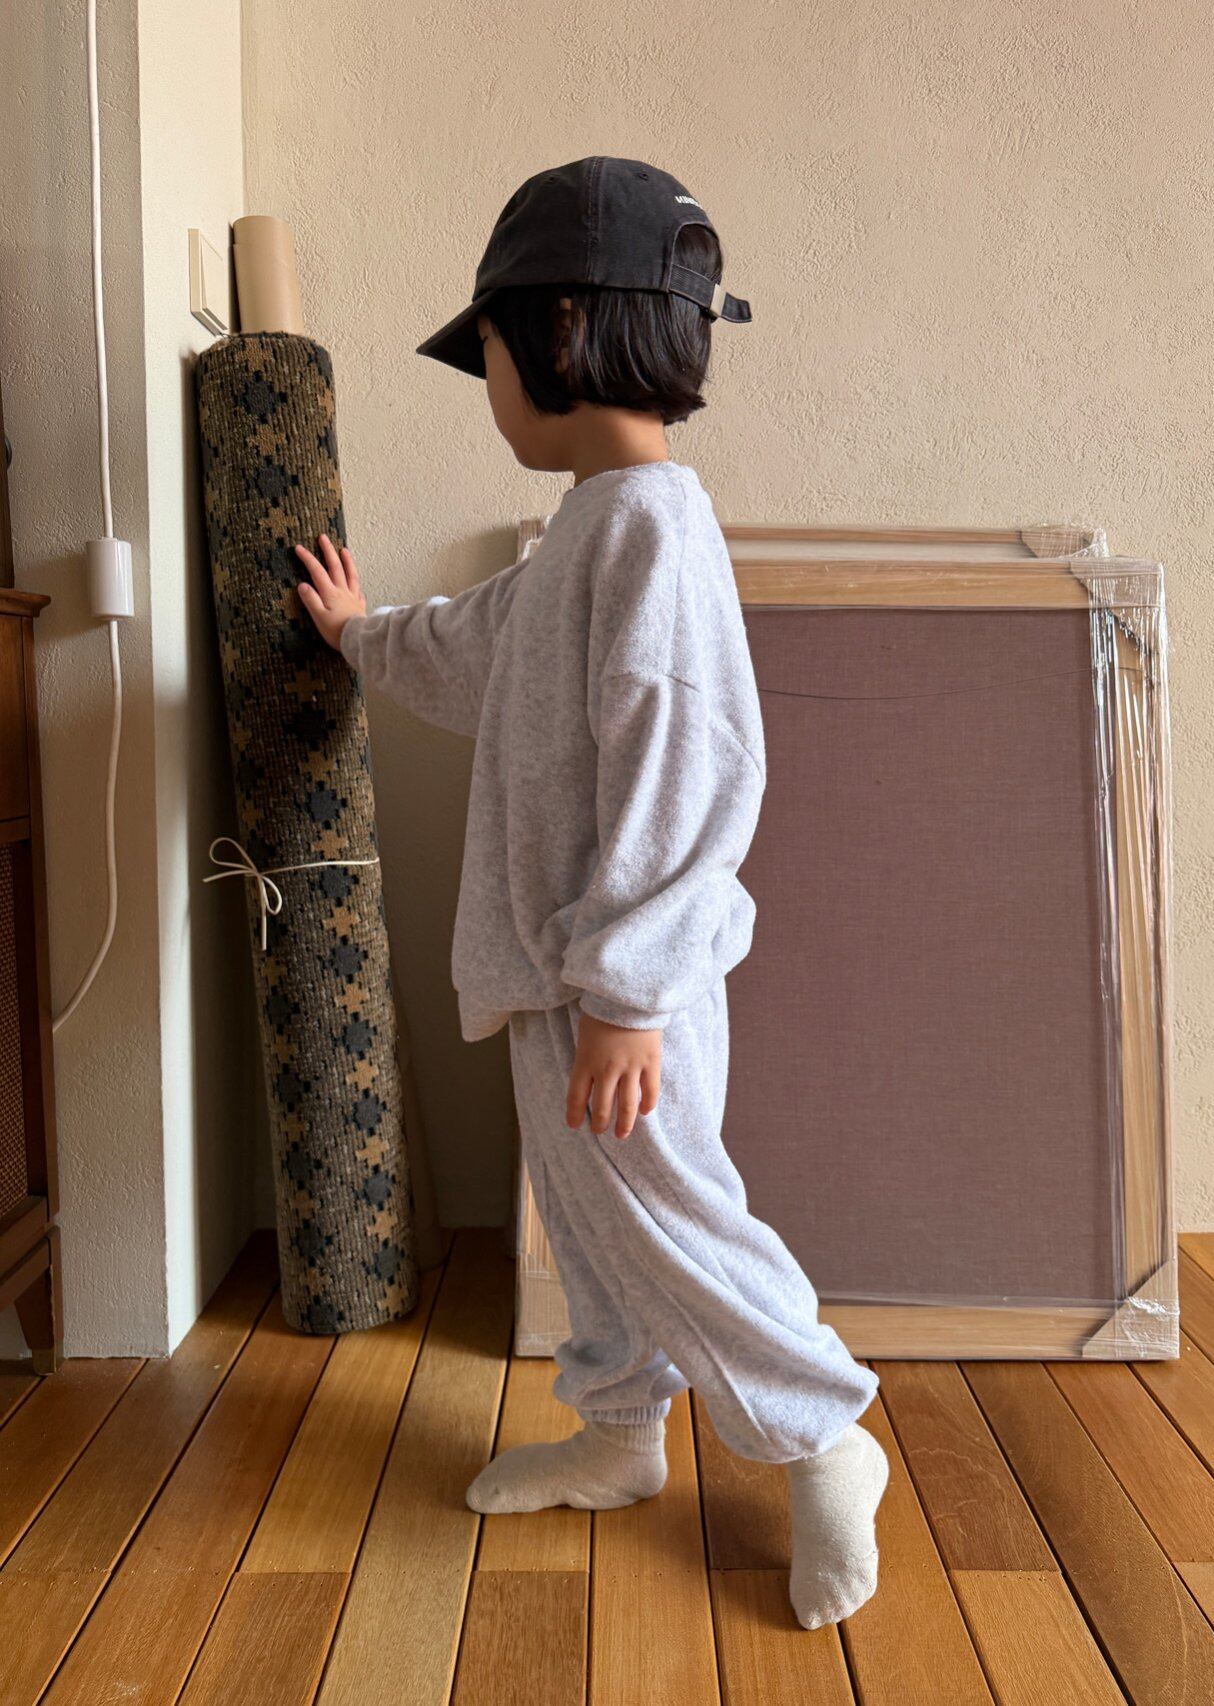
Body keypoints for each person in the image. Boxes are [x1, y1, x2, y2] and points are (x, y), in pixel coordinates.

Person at [294, 156, 888, 1631]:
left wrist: (628, 994)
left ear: (560, 332)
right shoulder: (588, 531)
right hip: (562, 977)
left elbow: (693, 774)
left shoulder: (652, 534)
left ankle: (824, 1431)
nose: (490, 390)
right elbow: (479, 646)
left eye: (491, 354)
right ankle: (622, 1432)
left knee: (671, 1215)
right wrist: (362, 635)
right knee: (594, 1222)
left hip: (625, 987)